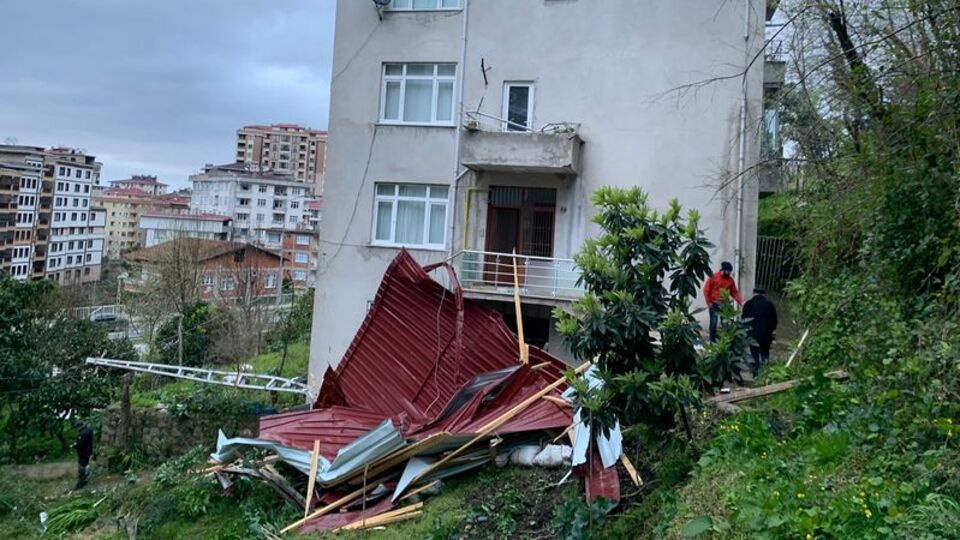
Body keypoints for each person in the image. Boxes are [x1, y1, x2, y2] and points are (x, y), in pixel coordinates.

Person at [703, 261, 744, 342]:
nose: (728, 273)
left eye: (729, 272)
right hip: (714, 303)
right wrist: (709, 303)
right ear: (723, 270)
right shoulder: (713, 277)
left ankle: (724, 340)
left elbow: (734, 292)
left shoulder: (730, 280)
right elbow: (706, 290)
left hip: (724, 304)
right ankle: (712, 341)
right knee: (713, 323)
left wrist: (741, 302)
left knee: (725, 323)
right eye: (727, 271)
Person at [742, 287, 778, 376]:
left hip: (753, 335)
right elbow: (774, 321)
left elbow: (744, 320)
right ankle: (765, 373)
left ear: (754, 294)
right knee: (765, 352)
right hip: (766, 335)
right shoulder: (769, 305)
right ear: (764, 294)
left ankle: (755, 372)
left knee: (754, 353)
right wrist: (771, 330)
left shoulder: (748, 304)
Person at [73, 419, 94, 490]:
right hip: (88, 450)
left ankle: (81, 482)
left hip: (83, 452)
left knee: (81, 467)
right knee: (85, 465)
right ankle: (84, 479)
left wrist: (74, 445)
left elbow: (80, 444)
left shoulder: (82, 433)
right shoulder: (89, 430)